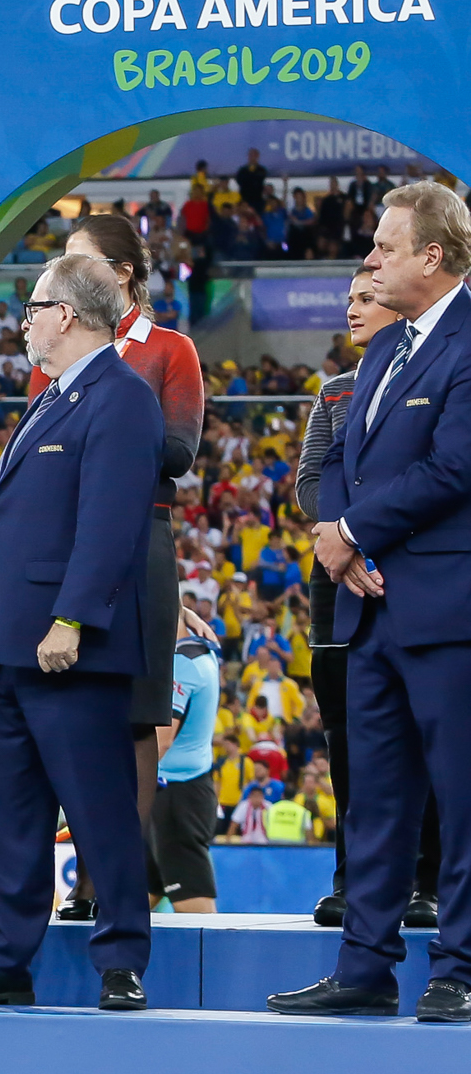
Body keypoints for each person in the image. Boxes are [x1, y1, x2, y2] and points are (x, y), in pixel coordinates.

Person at [0, 254, 160, 1013]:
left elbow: (110, 521)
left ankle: (122, 957)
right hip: (10, 643)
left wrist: (71, 617)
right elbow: (19, 525)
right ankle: (6, 957)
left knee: (98, 808)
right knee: (14, 815)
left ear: (66, 313)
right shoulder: (51, 396)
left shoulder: (120, 395)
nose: (23, 321)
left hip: (70, 647)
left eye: (32, 307)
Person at [273, 182, 471, 1023]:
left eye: (385, 247)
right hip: (374, 607)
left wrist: (350, 528)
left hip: (448, 609)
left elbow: (457, 465)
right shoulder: (385, 354)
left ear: (434, 255)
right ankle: (365, 965)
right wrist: (344, 543)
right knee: (377, 800)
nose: (370, 259)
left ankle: (460, 968)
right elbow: (349, 462)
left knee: (460, 799)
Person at [48, 213, 208, 922]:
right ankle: (81, 877)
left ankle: (104, 887)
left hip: (142, 536)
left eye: (77, 263)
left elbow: (177, 451)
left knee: (137, 717)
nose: (61, 277)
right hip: (63, 537)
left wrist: (100, 417)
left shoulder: (170, 349)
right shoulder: (50, 350)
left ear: (120, 275)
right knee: (73, 714)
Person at [294, 266, 438, 929]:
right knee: (347, 741)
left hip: (412, 580)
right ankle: (354, 880)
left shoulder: (438, 371)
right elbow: (311, 482)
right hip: (338, 591)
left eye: (363, 296)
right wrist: (344, 543)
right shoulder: (333, 392)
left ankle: (427, 880)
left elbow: (427, 474)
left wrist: (359, 530)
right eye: (349, 297)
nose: (351, 308)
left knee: (425, 735)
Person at [148, 629, 220, 913]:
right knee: (139, 893)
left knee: (193, 904)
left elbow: (161, 740)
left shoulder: (180, 665)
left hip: (176, 797)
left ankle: (214, 959)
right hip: (176, 788)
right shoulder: (202, 649)